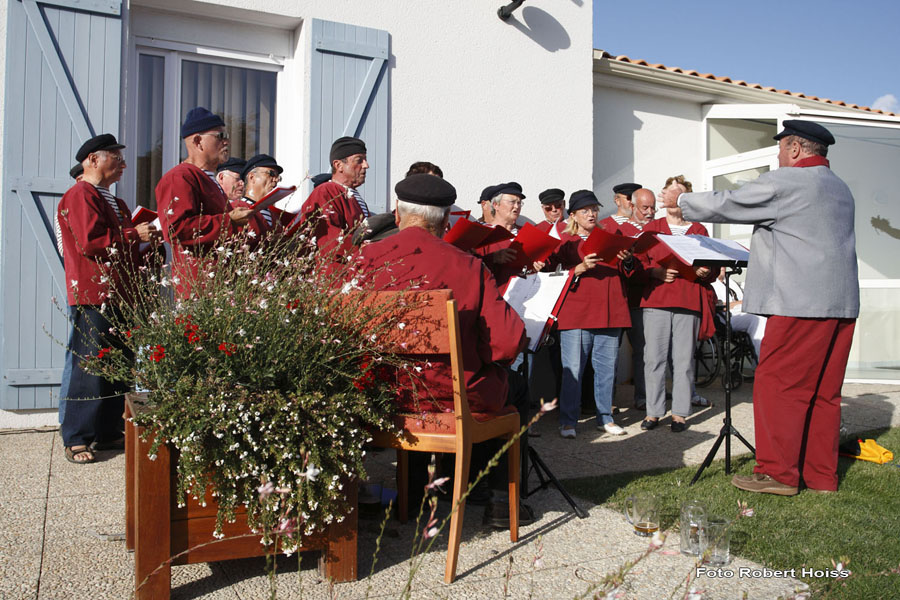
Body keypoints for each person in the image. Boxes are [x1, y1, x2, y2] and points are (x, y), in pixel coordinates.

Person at [677, 120, 858, 495]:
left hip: (799, 304)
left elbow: (731, 202)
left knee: (779, 387)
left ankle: (778, 474)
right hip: (841, 304)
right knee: (825, 393)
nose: (778, 157)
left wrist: (681, 201)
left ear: (795, 148)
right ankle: (821, 476)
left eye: (780, 149)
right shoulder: (840, 187)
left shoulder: (788, 181)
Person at [359, 174, 531, 523]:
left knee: (427, 380)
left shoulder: (364, 259)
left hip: (382, 394)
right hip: (451, 397)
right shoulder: (466, 265)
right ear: (446, 221)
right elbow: (506, 343)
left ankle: (414, 496)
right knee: (515, 386)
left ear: (397, 214)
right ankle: (500, 500)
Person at [57, 134, 159, 464]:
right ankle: (77, 436)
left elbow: (121, 246)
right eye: (116, 157)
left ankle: (107, 430)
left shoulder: (115, 202)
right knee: (90, 365)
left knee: (118, 365)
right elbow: (91, 241)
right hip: (94, 293)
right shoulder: (80, 194)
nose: (123, 164)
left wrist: (148, 242)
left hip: (119, 294)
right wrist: (133, 234)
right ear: (93, 160)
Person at [548, 190, 632, 438]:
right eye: (585, 210)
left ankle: (605, 418)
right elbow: (550, 276)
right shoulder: (565, 242)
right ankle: (568, 421)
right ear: (573, 215)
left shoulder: (612, 237)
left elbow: (630, 273)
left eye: (594, 209)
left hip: (610, 312)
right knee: (573, 370)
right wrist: (578, 269)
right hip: (577, 314)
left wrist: (627, 260)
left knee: (606, 370)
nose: (591, 214)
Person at [639, 175, 714, 432]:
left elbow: (711, 265)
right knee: (654, 359)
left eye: (678, 193)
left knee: (683, 360)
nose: (672, 197)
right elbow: (639, 264)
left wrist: (705, 271)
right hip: (657, 299)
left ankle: (680, 413)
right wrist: (655, 272)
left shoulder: (699, 230)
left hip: (688, 299)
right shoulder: (651, 229)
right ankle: (653, 412)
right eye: (669, 192)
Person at [156, 107, 251, 296]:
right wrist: (229, 220)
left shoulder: (208, 178)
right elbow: (177, 229)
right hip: (199, 288)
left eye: (227, 135)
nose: (226, 141)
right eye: (220, 136)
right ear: (198, 141)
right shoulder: (180, 177)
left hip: (218, 284)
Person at [298, 136, 370, 256]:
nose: (366, 165)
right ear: (338, 165)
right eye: (359, 160)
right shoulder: (326, 192)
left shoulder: (352, 195)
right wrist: (367, 250)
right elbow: (329, 239)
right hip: (338, 266)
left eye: (365, 160)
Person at [623, 187, 657, 409]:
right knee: (642, 349)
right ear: (632, 206)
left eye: (653, 208)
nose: (650, 212)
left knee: (657, 350)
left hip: (659, 298)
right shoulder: (622, 231)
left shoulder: (658, 229)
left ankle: (656, 391)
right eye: (645, 208)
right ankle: (643, 395)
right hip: (635, 299)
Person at [711, 267, 766, 360]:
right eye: (720, 265)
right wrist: (741, 303)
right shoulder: (711, 284)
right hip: (725, 317)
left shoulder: (731, 282)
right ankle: (761, 359)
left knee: (764, 316)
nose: (723, 267)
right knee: (756, 319)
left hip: (742, 312)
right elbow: (719, 305)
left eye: (724, 265)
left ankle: (764, 357)